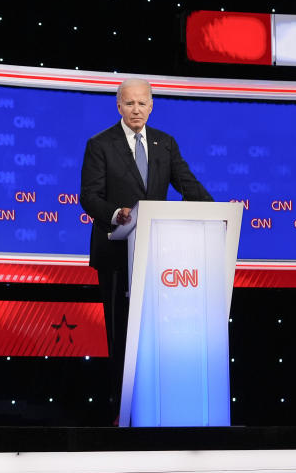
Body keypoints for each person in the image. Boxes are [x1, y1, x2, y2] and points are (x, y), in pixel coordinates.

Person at [79, 78, 212, 421]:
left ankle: (156, 410)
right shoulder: (100, 144)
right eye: (129, 104)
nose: (136, 109)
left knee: (154, 336)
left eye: (142, 104)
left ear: (151, 106)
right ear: (119, 106)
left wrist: (214, 211)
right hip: (115, 254)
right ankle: (120, 414)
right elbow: (89, 196)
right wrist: (116, 214)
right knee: (121, 337)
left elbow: (187, 183)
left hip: (158, 256)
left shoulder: (165, 143)